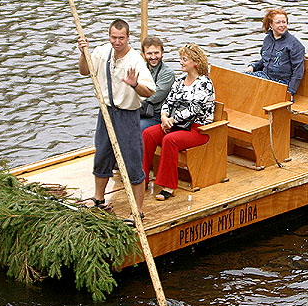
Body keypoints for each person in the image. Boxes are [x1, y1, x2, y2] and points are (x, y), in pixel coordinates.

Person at [77, 19, 156, 216]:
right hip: (105, 112)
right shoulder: (102, 52)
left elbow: (149, 92)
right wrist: (83, 53)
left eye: (121, 38)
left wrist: (134, 84)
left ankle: (137, 211)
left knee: (132, 161)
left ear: (128, 37)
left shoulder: (135, 60)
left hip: (127, 115)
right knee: (102, 154)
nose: (117, 41)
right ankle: (98, 199)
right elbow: (84, 70)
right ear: (109, 36)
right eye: (113, 37)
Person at [142, 44, 215, 201]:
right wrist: (164, 117)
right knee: (148, 133)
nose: (181, 62)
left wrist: (172, 120)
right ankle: (142, 178)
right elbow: (168, 101)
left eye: (184, 59)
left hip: (198, 130)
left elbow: (194, 109)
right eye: (181, 59)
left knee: (170, 140)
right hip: (175, 124)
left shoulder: (204, 83)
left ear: (195, 62)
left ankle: (168, 186)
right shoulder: (179, 81)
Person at [245, 8, 305, 99]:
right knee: (241, 78)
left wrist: (290, 92)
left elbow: (298, 71)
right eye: (278, 22)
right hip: (265, 76)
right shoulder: (267, 39)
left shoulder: (295, 45)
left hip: (282, 83)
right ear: (271, 24)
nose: (282, 25)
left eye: (284, 22)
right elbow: (265, 60)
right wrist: (253, 66)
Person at [139, 36, 176, 131]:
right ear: (143, 54)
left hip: (157, 115)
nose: (153, 57)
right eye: (149, 53)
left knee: (136, 127)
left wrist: (135, 98)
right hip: (140, 110)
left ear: (162, 53)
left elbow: (155, 95)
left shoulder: (167, 73)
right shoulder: (140, 68)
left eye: (156, 53)